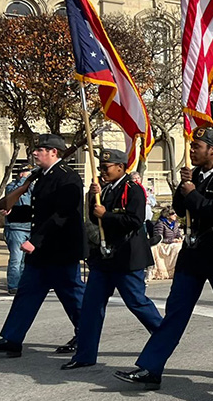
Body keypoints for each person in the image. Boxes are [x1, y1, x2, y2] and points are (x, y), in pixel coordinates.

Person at [115, 128, 213, 390]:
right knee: (175, 311)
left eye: (197, 147)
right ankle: (151, 367)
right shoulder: (196, 176)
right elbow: (180, 210)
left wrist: (192, 193)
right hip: (193, 252)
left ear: (212, 151)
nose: (192, 151)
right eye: (192, 146)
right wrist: (183, 188)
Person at [0, 134, 87, 357]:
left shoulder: (68, 178)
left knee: (72, 295)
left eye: (41, 149)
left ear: (54, 152)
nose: (35, 153)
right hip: (42, 250)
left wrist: (34, 241)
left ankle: (86, 335)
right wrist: (13, 211)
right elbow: (40, 211)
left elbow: (62, 215)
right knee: (27, 293)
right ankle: (12, 339)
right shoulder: (43, 176)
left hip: (60, 249)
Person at [62, 149, 163, 370]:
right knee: (91, 305)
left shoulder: (133, 189)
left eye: (106, 168)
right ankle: (85, 355)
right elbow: (93, 218)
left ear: (120, 167)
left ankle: (164, 337)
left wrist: (105, 215)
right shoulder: (104, 189)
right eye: (100, 168)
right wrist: (92, 197)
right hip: (104, 258)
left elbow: (135, 220)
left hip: (126, 257)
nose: (102, 171)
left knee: (136, 302)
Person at [2, 168, 34, 295]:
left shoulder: (32, 187)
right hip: (16, 227)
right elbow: (16, 193)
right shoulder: (12, 187)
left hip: (30, 227)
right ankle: (13, 285)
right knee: (16, 258)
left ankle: (23, 283)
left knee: (25, 261)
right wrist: (25, 180)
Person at [150, 207, 183, 280]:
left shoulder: (175, 223)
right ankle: (169, 270)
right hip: (163, 244)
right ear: (167, 215)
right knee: (176, 248)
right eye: (173, 214)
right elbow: (158, 238)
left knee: (181, 246)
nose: (175, 215)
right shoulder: (160, 224)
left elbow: (177, 233)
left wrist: (179, 237)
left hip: (173, 243)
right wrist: (172, 240)